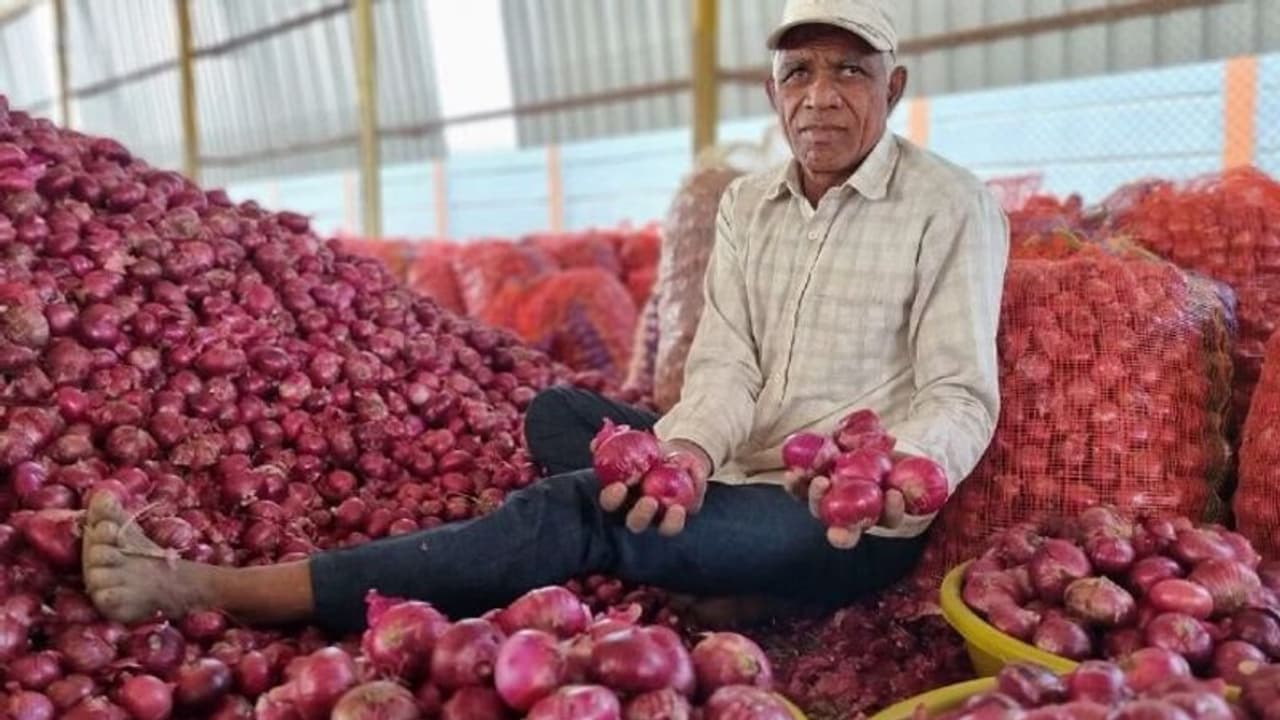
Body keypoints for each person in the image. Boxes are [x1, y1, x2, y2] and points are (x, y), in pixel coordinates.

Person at [81, 0, 1009, 634]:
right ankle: (733, 574)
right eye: (798, 70)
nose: (820, 94)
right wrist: (683, 456)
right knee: (560, 417)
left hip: (837, 520)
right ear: (771, 90)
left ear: (892, 88)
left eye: (850, 71)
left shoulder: (950, 204)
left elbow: (958, 389)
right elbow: (727, 368)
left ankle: (217, 587)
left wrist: (905, 471)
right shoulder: (747, 204)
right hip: (742, 469)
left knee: (577, 510)